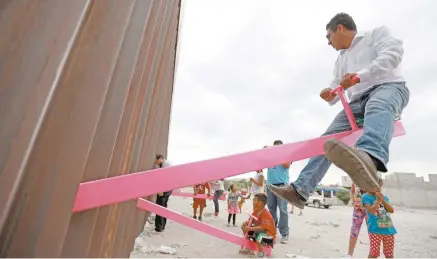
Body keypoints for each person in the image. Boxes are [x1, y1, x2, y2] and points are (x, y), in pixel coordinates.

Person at [268, 13, 410, 209]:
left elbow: (392, 56)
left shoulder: (376, 34)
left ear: (340, 28)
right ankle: (300, 190)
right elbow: (336, 87)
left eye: (328, 36)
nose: (328, 42)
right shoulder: (341, 60)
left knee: (377, 106)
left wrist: (359, 77)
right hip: (357, 102)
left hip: (388, 88)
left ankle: (370, 159)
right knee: (327, 142)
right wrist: (330, 94)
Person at [362, 180, 396, 258]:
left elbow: (391, 210)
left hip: (388, 229)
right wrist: (377, 200)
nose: (378, 188)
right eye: (375, 186)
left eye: (379, 186)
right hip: (375, 230)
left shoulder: (384, 197)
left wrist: (382, 200)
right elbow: (371, 210)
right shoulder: (365, 197)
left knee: (389, 254)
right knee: (373, 253)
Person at [265, 140, 291, 244]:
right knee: (271, 210)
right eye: (275, 147)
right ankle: (272, 232)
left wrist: (279, 153)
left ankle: (284, 233)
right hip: (270, 186)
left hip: (282, 186)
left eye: (278, 147)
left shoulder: (286, 155)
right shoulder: (270, 158)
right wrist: (265, 151)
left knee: (283, 210)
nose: (276, 148)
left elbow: (287, 165)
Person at [240, 193, 276, 257]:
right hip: (260, 231)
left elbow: (263, 227)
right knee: (244, 228)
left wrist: (250, 228)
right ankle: (249, 247)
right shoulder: (256, 211)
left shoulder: (265, 213)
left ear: (260, 203)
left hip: (269, 235)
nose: (253, 201)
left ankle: (261, 254)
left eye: (255, 200)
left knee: (258, 236)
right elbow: (251, 220)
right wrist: (246, 223)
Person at [346, 183, 367, 257]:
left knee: (372, 231)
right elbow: (352, 191)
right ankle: (349, 255)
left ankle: (373, 254)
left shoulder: (371, 177)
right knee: (354, 231)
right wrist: (352, 202)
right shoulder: (355, 179)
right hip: (358, 209)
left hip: (369, 209)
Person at [154, 154, 173, 232]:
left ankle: (159, 227)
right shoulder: (167, 163)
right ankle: (162, 225)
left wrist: (161, 190)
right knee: (163, 206)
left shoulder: (165, 164)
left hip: (165, 190)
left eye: (156, 160)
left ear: (160, 158)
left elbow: (165, 178)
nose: (156, 162)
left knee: (160, 207)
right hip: (168, 189)